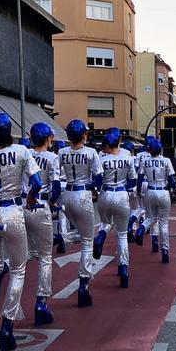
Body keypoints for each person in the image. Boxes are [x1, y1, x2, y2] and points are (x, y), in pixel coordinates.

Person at [0, 112, 42, 351]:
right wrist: (30, 198)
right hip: (13, 211)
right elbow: (37, 183)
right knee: (19, 270)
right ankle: (7, 325)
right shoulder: (21, 151)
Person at [59, 120, 103, 308]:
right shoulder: (91, 152)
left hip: (67, 194)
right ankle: (84, 283)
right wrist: (94, 188)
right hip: (83, 193)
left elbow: (56, 174)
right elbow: (99, 176)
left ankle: (63, 237)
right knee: (87, 241)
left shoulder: (61, 152)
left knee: (79, 232)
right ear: (83, 135)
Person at [27, 122, 62, 327]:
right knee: (45, 258)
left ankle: (0, 270)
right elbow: (55, 187)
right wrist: (50, 203)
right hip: (40, 206)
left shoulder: (25, 154)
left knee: (21, 259)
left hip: (22, 206)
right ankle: (41, 302)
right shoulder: (52, 158)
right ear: (48, 139)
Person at [94, 128, 137, 288]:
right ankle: (123, 268)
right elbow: (133, 181)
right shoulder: (127, 157)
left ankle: (100, 236)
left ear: (107, 145)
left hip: (105, 194)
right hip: (121, 194)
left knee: (105, 222)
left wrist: (96, 190)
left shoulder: (102, 160)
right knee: (122, 235)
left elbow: (97, 181)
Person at [139, 137, 176, 263]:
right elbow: (172, 179)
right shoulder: (166, 161)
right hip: (163, 191)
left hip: (150, 190)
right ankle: (165, 251)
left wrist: (139, 191)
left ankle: (142, 228)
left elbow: (140, 178)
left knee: (150, 218)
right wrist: (171, 188)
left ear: (149, 150)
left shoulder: (145, 161)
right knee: (163, 223)